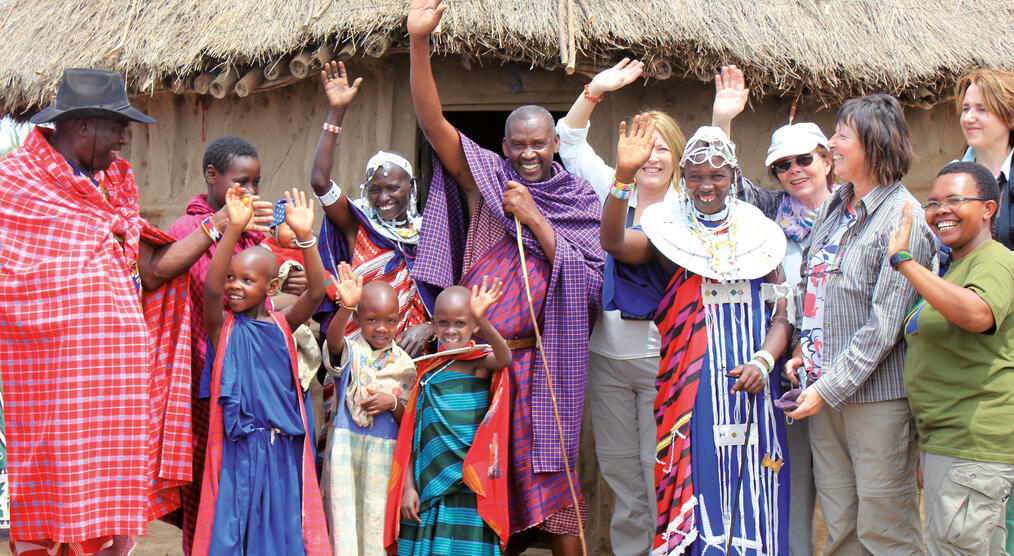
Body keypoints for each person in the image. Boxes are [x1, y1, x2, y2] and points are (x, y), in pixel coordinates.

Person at [0, 68, 249, 555]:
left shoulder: (113, 186)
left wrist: (219, 225)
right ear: (83, 125)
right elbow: (16, 277)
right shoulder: (20, 185)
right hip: (52, 375)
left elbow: (153, 272)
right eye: (116, 127)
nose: (123, 140)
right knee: (56, 485)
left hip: (114, 383)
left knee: (106, 498)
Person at [407, 1, 605, 553]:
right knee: (488, 490)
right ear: (503, 147)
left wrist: (534, 217)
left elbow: (590, 282)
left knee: (558, 498)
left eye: (538, 143)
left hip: (547, 366)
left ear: (556, 145)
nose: (527, 153)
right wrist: (418, 44)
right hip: (483, 369)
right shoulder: (487, 180)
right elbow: (432, 123)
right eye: (517, 144)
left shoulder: (576, 198)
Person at [602, 116, 793, 555]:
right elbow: (613, 242)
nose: (707, 185)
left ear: (733, 177)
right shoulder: (667, 233)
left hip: (756, 383)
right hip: (694, 387)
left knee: (759, 480)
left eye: (717, 176)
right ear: (683, 179)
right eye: (696, 176)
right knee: (698, 480)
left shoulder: (761, 234)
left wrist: (765, 361)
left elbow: (783, 314)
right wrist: (623, 176)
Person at [785, 94, 936, 555]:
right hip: (823, 389)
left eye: (841, 135)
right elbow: (811, 288)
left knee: (884, 524)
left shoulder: (903, 218)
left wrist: (826, 388)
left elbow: (883, 327)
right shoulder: (836, 205)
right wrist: (798, 351)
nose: (831, 143)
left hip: (874, 399)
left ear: (873, 145)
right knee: (842, 523)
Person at [191, 186, 329, 555]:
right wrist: (233, 229)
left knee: (280, 533)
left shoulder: (282, 326)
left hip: (281, 451)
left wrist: (305, 237)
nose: (235, 285)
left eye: (247, 280)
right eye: (233, 278)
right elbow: (211, 289)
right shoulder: (223, 328)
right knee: (234, 530)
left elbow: (316, 292)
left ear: (270, 287)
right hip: (238, 451)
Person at [886, 162, 1014, 555]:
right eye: (934, 202)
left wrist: (903, 260)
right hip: (948, 444)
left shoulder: (994, 259)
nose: (941, 210)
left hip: (972, 442)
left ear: (989, 208)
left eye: (955, 200)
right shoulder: (954, 268)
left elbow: (978, 314)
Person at [310, 61, 433, 466]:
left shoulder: (430, 234)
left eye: (394, 187)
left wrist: (430, 326)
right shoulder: (356, 224)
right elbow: (320, 183)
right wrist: (336, 112)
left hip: (412, 357)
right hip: (355, 355)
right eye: (375, 188)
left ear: (410, 187)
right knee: (348, 448)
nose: (384, 196)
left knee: (404, 451)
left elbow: (447, 292)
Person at [167, 134, 273, 555]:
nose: (251, 193)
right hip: (200, 380)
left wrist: (284, 283)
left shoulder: (255, 237)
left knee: (242, 485)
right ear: (212, 177)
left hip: (246, 383)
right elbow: (207, 292)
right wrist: (229, 230)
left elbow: (262, 304)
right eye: (241, 182)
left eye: (257, 183)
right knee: (207, 487)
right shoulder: (186, 230)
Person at [384, 280, 513, 556]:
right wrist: (408, 488)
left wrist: (483, 318)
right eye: (443, 323)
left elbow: (504, 358)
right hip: (426, 486)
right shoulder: (427, 371)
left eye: (461, 323)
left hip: (469, 484)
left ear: (474, 327)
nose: (451, 330)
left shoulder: (479, 362)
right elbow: (411, 437)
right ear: (433, 324)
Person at [321, 267, 418, 556]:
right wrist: (346, 307)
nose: (382, 328)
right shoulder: (351, 350)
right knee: (342, 521)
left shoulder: (405, 365)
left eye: (390, 320)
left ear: (399, 321)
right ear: (358, 319)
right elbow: (334, 342)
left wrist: (394, 403)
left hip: (384, 453)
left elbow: (409, 421)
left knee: (376, 525)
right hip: (345, 450)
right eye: (372, 319)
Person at [954, 68, 1014, 249]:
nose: (969, 118)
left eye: (981, 109)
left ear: (1009, 117)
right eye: (966, 109)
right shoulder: (952, 177)